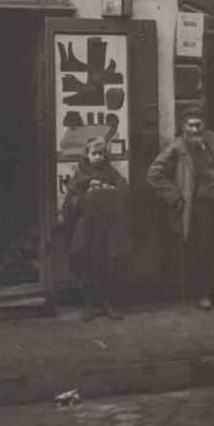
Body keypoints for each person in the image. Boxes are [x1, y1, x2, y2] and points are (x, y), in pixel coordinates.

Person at [147, 109, 214, 311]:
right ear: (184, 127)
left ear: (204, 125)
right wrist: (176, 198)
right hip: (199, 205)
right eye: (190, 125)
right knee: (200, 249)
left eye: (198, 124)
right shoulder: (178, 148)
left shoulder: (212, 138)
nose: (194, 129)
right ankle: (203, 293)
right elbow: (154, 174)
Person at [63, 136, 132, 322]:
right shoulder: (80, 175)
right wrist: (86, 196)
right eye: (94, 153)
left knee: (108, 263)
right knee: (86, 263)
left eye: (101, 153)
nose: (97, 157)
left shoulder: (111, 173)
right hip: (86, 227)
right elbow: (69, 203)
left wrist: (110, 191)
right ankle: (88, 304)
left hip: (107, 227)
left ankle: (108, 303)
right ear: (87, 154)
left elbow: (124, 190)